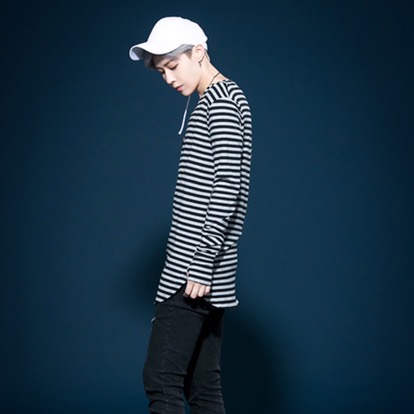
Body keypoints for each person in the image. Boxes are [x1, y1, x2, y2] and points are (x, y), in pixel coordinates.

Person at [129, 16, 252, 414]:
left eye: (172, 66)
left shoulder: (221, 103)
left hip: (192, 270)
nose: (168, 79)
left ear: (198, 52)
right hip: (206, 271)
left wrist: (200, 263)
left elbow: (228, 188)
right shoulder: (221, 98)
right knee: (203, 386)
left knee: (161, 380)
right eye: (161, 72)